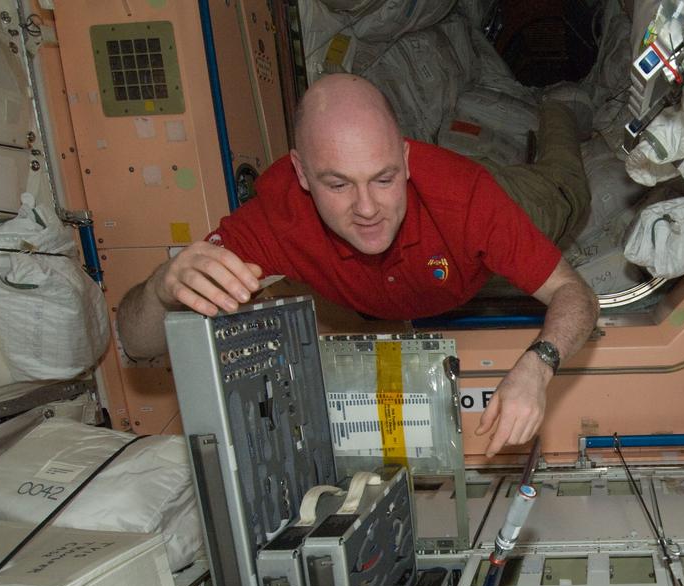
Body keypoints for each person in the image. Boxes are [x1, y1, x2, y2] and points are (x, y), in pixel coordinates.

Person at [117, 74, 599, 457]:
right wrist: (162, 288)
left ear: (406, 160)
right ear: (302, 173)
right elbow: (136, 343)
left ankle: (555, 104)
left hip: (527, 202)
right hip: (417, 284)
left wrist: (538, 367)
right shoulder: (276, 215)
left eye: (384, 178)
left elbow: (575, 295)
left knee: (566, 184)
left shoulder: (468, 200)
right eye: (338, 184)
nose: (367, 208)